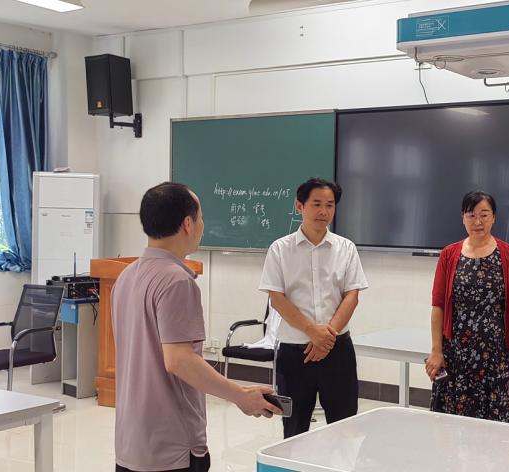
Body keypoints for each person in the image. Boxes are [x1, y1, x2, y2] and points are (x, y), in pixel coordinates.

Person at [113, 182, 279, 472]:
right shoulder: (177, 280)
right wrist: (240, 396)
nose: (203, 225)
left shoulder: (125, 276)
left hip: (131, 442)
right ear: (188, 224)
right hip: (172, 446)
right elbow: (179, 360)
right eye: (201, 217)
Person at [259, 178, 369, 438]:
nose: (323, 211)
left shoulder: (346, 248)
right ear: (300, 206)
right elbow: (277, 298)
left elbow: (351, 296)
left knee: (344, 427)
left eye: (329, 205)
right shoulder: (280, 249)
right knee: (294, 428)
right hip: (294, 353)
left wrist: (326, 338)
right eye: (316, 204)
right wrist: (312, 332)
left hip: (338, 350)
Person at [425, 191, 509, 424]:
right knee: (453, 426)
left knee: (497, 426)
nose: (478, 221)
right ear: (463, 217)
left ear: (494, 217)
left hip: (496, 356)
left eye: (484, 214)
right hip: (456, 355)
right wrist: (436, 350)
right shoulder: (449, 255)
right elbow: (438, 306)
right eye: (471, 215)